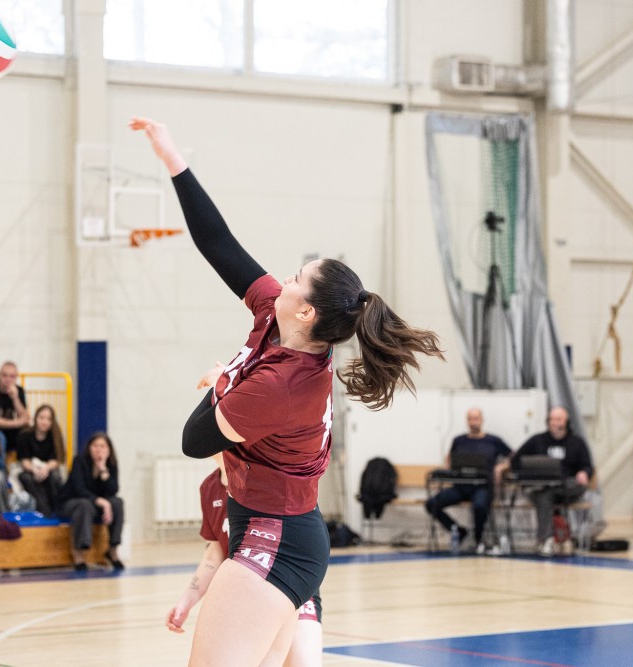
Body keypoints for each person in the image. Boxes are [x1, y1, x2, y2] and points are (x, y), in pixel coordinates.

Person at [132, 117, 443, 666]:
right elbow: (218, 243)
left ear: (306, 312)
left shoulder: (283, 384)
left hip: (276, 538)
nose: (285, 278)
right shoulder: (275, 317)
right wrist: (172, 157)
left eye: (297, 278)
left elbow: (194, 439)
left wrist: (224, 379)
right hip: (276, 529)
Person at [166, 455, 323, 667]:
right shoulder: (210, 487)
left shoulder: (264, 476)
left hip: (292, 581)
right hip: (250, 588)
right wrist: (186, 601)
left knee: (303, 661)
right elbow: (214, 554)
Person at [508, 406, 594, 557]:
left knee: (555, 489)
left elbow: (587, 466)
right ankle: (547, 540)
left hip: (567, 488)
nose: (555, 423)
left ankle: (544, 540)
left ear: (566, 422)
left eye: (559, 419)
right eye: (552, 419)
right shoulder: (537, 440)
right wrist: (528, 475)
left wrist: (584, 473)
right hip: (540, 486)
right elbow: (516, 461)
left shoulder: (577, 442)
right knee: (545, 493)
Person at [425, 407, 511, 554]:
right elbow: (449, 460)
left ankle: (478, 539)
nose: (473, 422)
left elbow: (513, 457)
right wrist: (446, 469)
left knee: (480, 505)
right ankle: (459, 531)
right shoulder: (459, 440)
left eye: (476, 418)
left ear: (482, 420)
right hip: (460, 486)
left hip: (482, 486)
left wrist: (500, 467)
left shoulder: (493, 440)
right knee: (431, 504)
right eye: (470, 419)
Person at [56, 432, 124, 572]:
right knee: (84, 505)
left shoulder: (111, 464)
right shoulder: (80, 461)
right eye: (95, 446)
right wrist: (102, 502)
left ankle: (112, 550)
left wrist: (103, 470)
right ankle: (78, 553)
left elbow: (113, 490)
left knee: (117, 502)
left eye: (102, 446)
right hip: (71, 502)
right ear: (89, 447)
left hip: (94, 504)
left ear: (109, 449)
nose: (98, 449)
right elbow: (79, 489)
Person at [15, 405, 66, 516]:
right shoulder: (24, 435)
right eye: (41, 418)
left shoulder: (55, 436)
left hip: (48, 469)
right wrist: (34, 470)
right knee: (26, 478)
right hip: (30, 469)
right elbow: (24, 461)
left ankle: (58, 509)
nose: (44, 422)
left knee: (54, 476)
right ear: (35, 418)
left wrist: (46, 468)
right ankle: (44, 509)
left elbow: (57, 460)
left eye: (48, 419)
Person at [0, 361, 30, 449]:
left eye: (12, 376)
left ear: (16, 377)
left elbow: (25, 418)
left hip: (11, 430)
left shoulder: (19, 390)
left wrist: (15, 398)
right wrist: (16, 423)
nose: (8, 379)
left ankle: (25, 458)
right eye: (5, 375)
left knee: (27, 433)